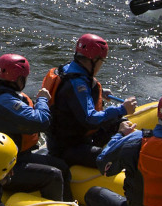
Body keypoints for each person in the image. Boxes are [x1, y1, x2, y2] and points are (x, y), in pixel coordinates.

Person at [0, 54, 69, 200]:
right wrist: (42, 99)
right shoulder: (5, 101)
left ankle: (69, 203)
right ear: (19, 79)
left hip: (14, 159)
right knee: (54, 175)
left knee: (61, 166)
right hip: (4, 169)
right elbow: (41, 121)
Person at [43, 33, 133, 169]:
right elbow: (90, 118)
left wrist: (100, 93)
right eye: (102, 61)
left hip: (73, 137)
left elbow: (76, 97)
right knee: (115, 156)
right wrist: (122, 109)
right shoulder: (76, 83)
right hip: (68, 148)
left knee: (121, 122)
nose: (101, 65)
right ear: (94, 60)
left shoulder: (68, 69)